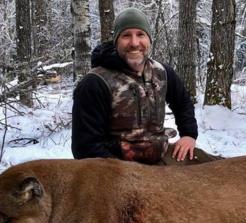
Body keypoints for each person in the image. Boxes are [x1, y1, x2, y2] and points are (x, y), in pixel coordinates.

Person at [72, 7, 219, 165]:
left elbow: (183, 103)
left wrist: (189, 134)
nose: (134, 43)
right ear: (116, 41)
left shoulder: (163, 73)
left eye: (140, 34)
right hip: (116, 167)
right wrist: (124, 173)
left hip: (159, 156)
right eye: (126, 35)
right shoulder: (95, 83)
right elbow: (85, 147)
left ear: (149, 39)